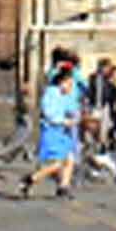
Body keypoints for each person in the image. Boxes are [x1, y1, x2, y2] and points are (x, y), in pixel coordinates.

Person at [23, 64, 81, 198]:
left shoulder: (64, 95)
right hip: (52, 131)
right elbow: (49, 114)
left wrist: (74, 115)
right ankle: (31, 179)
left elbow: (70, 108)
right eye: (69, 84)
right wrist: (64, 121)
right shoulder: (51, 94)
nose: (71, 88)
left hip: (63, 132)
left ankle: (63, 186)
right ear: (62, 83)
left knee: (70, 159)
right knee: (57, 163)